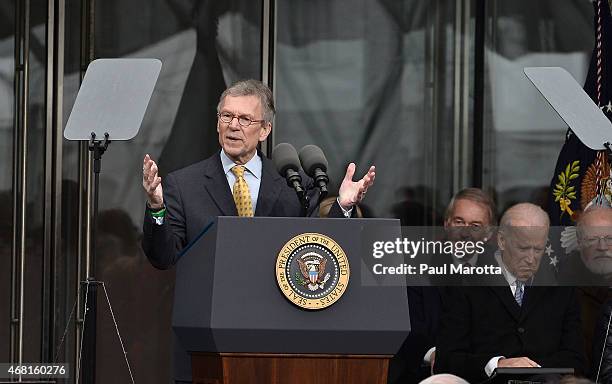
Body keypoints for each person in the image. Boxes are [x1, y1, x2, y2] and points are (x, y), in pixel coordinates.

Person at [141, 79, 375, 269]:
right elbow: (163, 258)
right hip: (211, 314)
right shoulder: (183, 185)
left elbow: (320, 248)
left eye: (245, 119)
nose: (233, 125)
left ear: (264, 130)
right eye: (226, 116)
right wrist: (156, 207)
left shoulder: (294, 184)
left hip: (278, 315)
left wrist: (343, 207)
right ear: (217, 123)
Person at [434, 203, 584, 383]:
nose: (530, 259)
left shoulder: (561, 291)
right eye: (522, 248)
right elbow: (446, 360)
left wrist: (533, 368)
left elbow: (577, 359)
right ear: (502, 241)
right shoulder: (468, 285)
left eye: (538, 250)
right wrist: (496, 364)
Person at [388, 188, 496, 384]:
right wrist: (433, 354)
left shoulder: (498, 272)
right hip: (428, 373)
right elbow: (409, 328)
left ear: (488, 233)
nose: (465, 233)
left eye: (475, 225)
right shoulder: (418, 268)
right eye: (459, 222)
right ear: (446, 224)